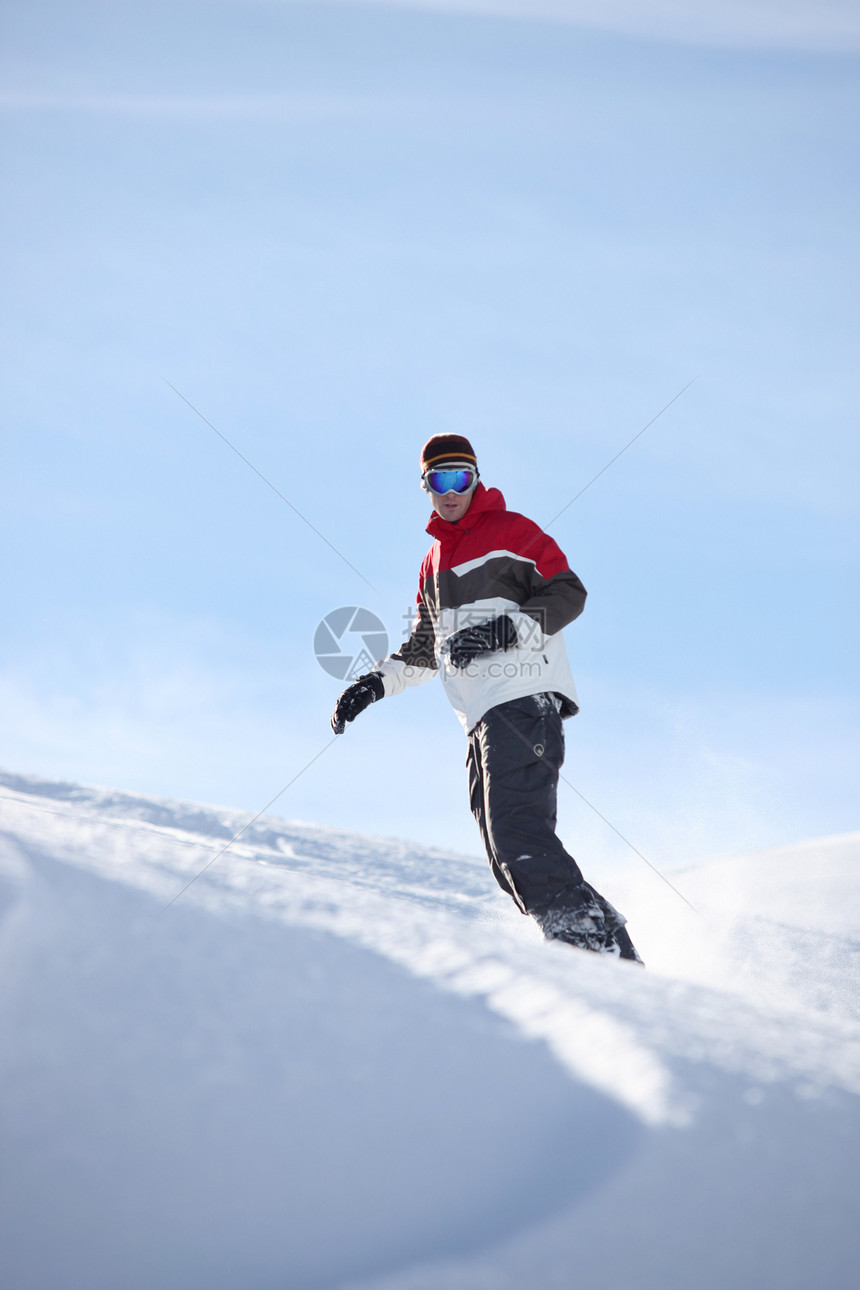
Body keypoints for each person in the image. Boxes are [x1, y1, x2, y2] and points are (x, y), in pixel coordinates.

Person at [331, 434, 641, 962]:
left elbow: (568, 592)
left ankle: (595, 950)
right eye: (439, 480)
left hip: (523, 700)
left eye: (461, 478)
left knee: (519, 835)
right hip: (481, 718)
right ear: (425, 487)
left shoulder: (511, 531)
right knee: (504, 853)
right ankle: (597, 947)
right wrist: (372, 683)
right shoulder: (431, 565)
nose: (451, 491)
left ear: (476, 479)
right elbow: (425, 651)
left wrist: (506, 629)